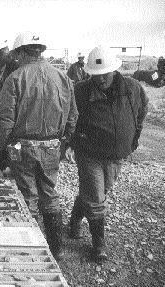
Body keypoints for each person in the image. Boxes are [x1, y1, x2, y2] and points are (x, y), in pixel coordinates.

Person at [0, 32, 78, 260]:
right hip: (52, 146)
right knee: (50, 194)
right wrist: (64, 142)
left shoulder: (15, 78)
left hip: (23, 148)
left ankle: (27, 247)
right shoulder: (62, 78)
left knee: (27, 195)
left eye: (17, 54)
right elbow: (72, 116)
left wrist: (0, 149)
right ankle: (56, 248)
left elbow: (5, 122)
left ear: (22, 52)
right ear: (41, 50)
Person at [68, 46, 148, 261]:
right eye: (96, 74)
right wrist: (69, 143)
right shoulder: (81, 91)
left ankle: (74, 222)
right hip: (89, 153)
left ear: (114, 70)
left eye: (105, 73)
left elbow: (141, 113)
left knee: (99, 192)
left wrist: (134, 138)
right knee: (96, 197)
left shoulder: (133, 88)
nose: (101, 78)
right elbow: (71, 119)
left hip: (116, 154)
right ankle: (98, 245)